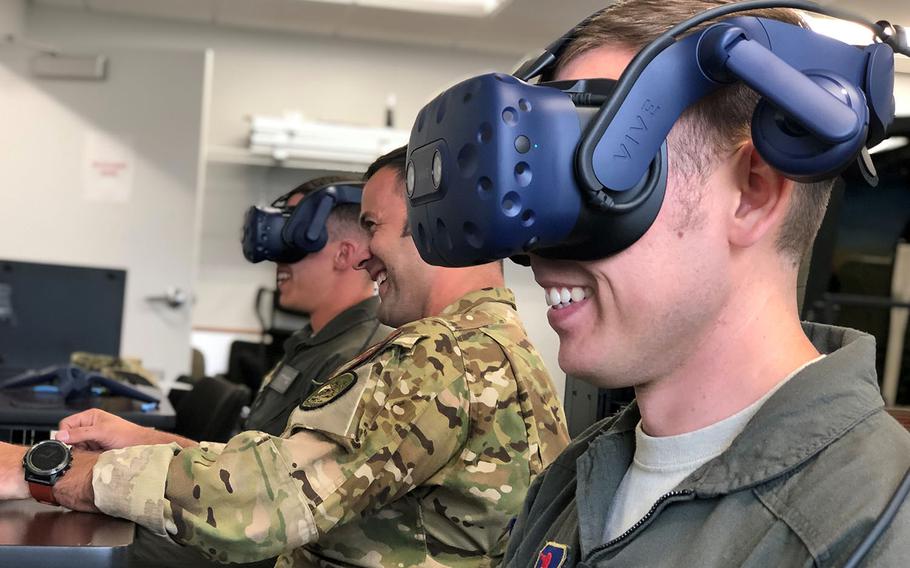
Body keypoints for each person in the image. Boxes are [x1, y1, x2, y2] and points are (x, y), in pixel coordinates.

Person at [0, 147, 569, 568]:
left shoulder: (440, 355)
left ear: (438, 226)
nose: (362, 252)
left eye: (374, 227)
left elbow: (269, 499)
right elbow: (300, 471)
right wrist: (150, 444)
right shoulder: (494, 346)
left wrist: (49, 475)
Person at [495, 1, 910, 566]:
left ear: (753, 193)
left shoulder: (869, 531)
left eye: (592, 180)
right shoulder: (575, 476)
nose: (538, 248)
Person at [243, 176, 391, 436]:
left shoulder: (355, 357)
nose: (279, 261)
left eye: (295, 242)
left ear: (344, 254)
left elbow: (293, 471)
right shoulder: (313, 340)